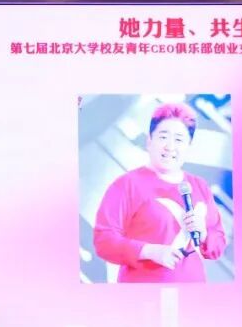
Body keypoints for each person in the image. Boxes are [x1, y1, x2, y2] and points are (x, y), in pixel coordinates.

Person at [92, 101, 228, 283]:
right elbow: (104, 241)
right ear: (149, 141)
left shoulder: (199, 186)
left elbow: (217, 244)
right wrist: (148, 251)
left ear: (189, 146)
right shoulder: (127, 185)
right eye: (163, 137)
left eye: (179, 139)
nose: (170, 146)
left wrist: (203, 234)